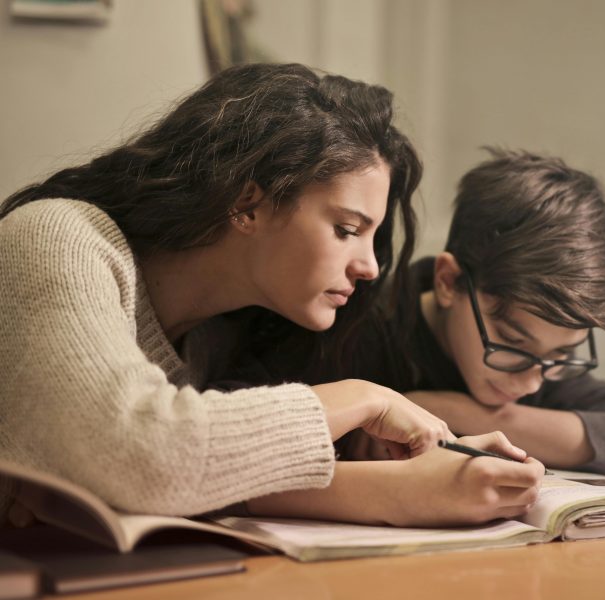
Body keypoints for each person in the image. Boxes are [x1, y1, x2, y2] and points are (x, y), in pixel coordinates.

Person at [0, 64, 542, 528]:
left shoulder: (220, 336)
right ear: (247, 203)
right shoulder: (58, 237)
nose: (371, 266)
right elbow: (147, 456)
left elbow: (207, 478)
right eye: (348, 229)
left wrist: (418, 484)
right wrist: (364, 398)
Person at [250, 148, 605, 485]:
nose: (531, 381)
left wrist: (462, 413)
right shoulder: (351, 325)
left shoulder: (540, 360)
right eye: (511, 343)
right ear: (448, 281)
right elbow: (239, 433)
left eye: (562, 355)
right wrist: (368, 410)